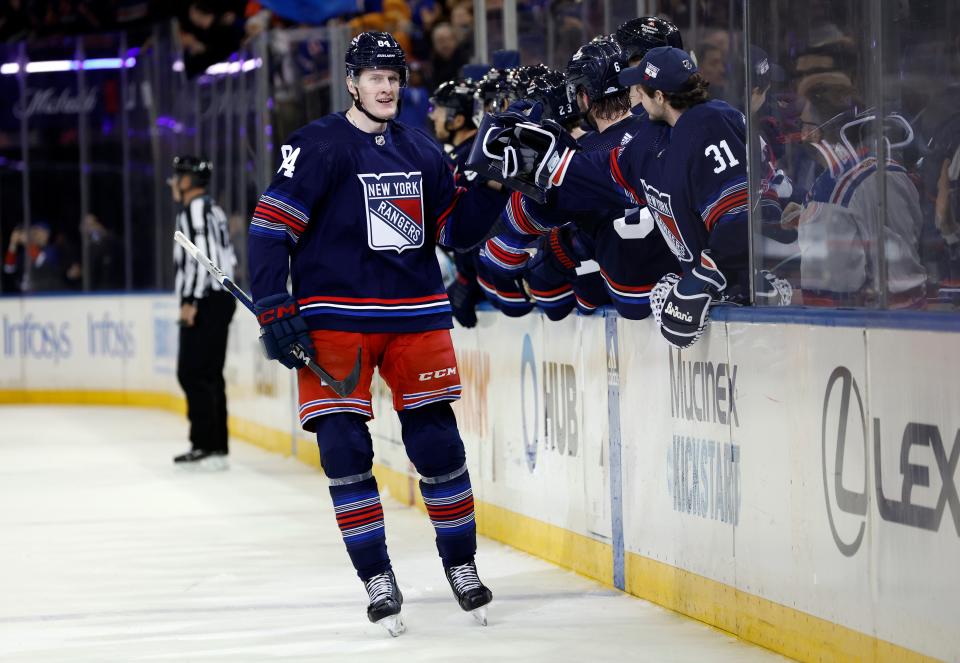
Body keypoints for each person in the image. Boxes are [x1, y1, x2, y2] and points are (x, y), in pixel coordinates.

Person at [247, 31, 505, 636]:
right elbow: (268, 229)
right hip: (335, 317)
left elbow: (457, 231)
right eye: (374, 76)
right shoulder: (315, 145)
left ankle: (461, 566)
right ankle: (377, 576)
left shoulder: (421, 148)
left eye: (393, 76)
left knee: (438, 445)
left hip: (414, 313)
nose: (386, 86)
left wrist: (496, 182)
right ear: (351, 81)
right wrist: (273, 305)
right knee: (342, 447)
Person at [480, 46, 749, 347]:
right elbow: (594, 171)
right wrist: (535, 159)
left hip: (736, 295)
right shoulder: (647, 139)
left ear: (659, 95)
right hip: (708, 302)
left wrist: (703, 281)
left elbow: (738, 214)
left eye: (640, 88)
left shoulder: (709, 123)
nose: (635, 94)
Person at [170, 155, 237, 469]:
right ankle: (215, 445)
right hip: (217, 298)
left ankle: (205, 444)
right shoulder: (212, 208)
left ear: (189, 181)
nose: (174, 181)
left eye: (178, 176)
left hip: (206, 299)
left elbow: (203, 259)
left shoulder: (195, 209)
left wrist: (191, 301)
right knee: (208, 373)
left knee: (193, 372)